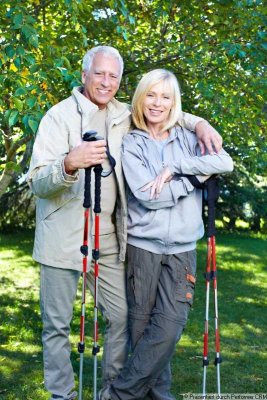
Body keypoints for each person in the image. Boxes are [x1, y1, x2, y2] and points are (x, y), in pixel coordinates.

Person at [27, 46, 223, 400]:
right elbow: (38, 181)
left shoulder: (123, 114)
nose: (105, 82)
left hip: (109, 237)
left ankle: (112, 392)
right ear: (84, 74)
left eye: (113, 76)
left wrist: (201, 123)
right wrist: (69, 163)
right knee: (56, 326)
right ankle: (63, 395)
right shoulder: (57, 118)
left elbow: (165, 111)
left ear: (120, 80)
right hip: (61, 238)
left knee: (120, 319)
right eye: (99, 74)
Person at [99, 69, 233, 400]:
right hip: (142, 248)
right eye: (151, 95)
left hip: (182, 249)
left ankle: (118, 395)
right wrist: (192, 182)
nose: (157, 103)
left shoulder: (189, 139)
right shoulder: (131, 142)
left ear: (175, 103)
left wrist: (176, 168)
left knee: (169, 328)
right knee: (143, 330)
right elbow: (149, 196)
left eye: (166, 97)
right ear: (141, 98)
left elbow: (225, 161)